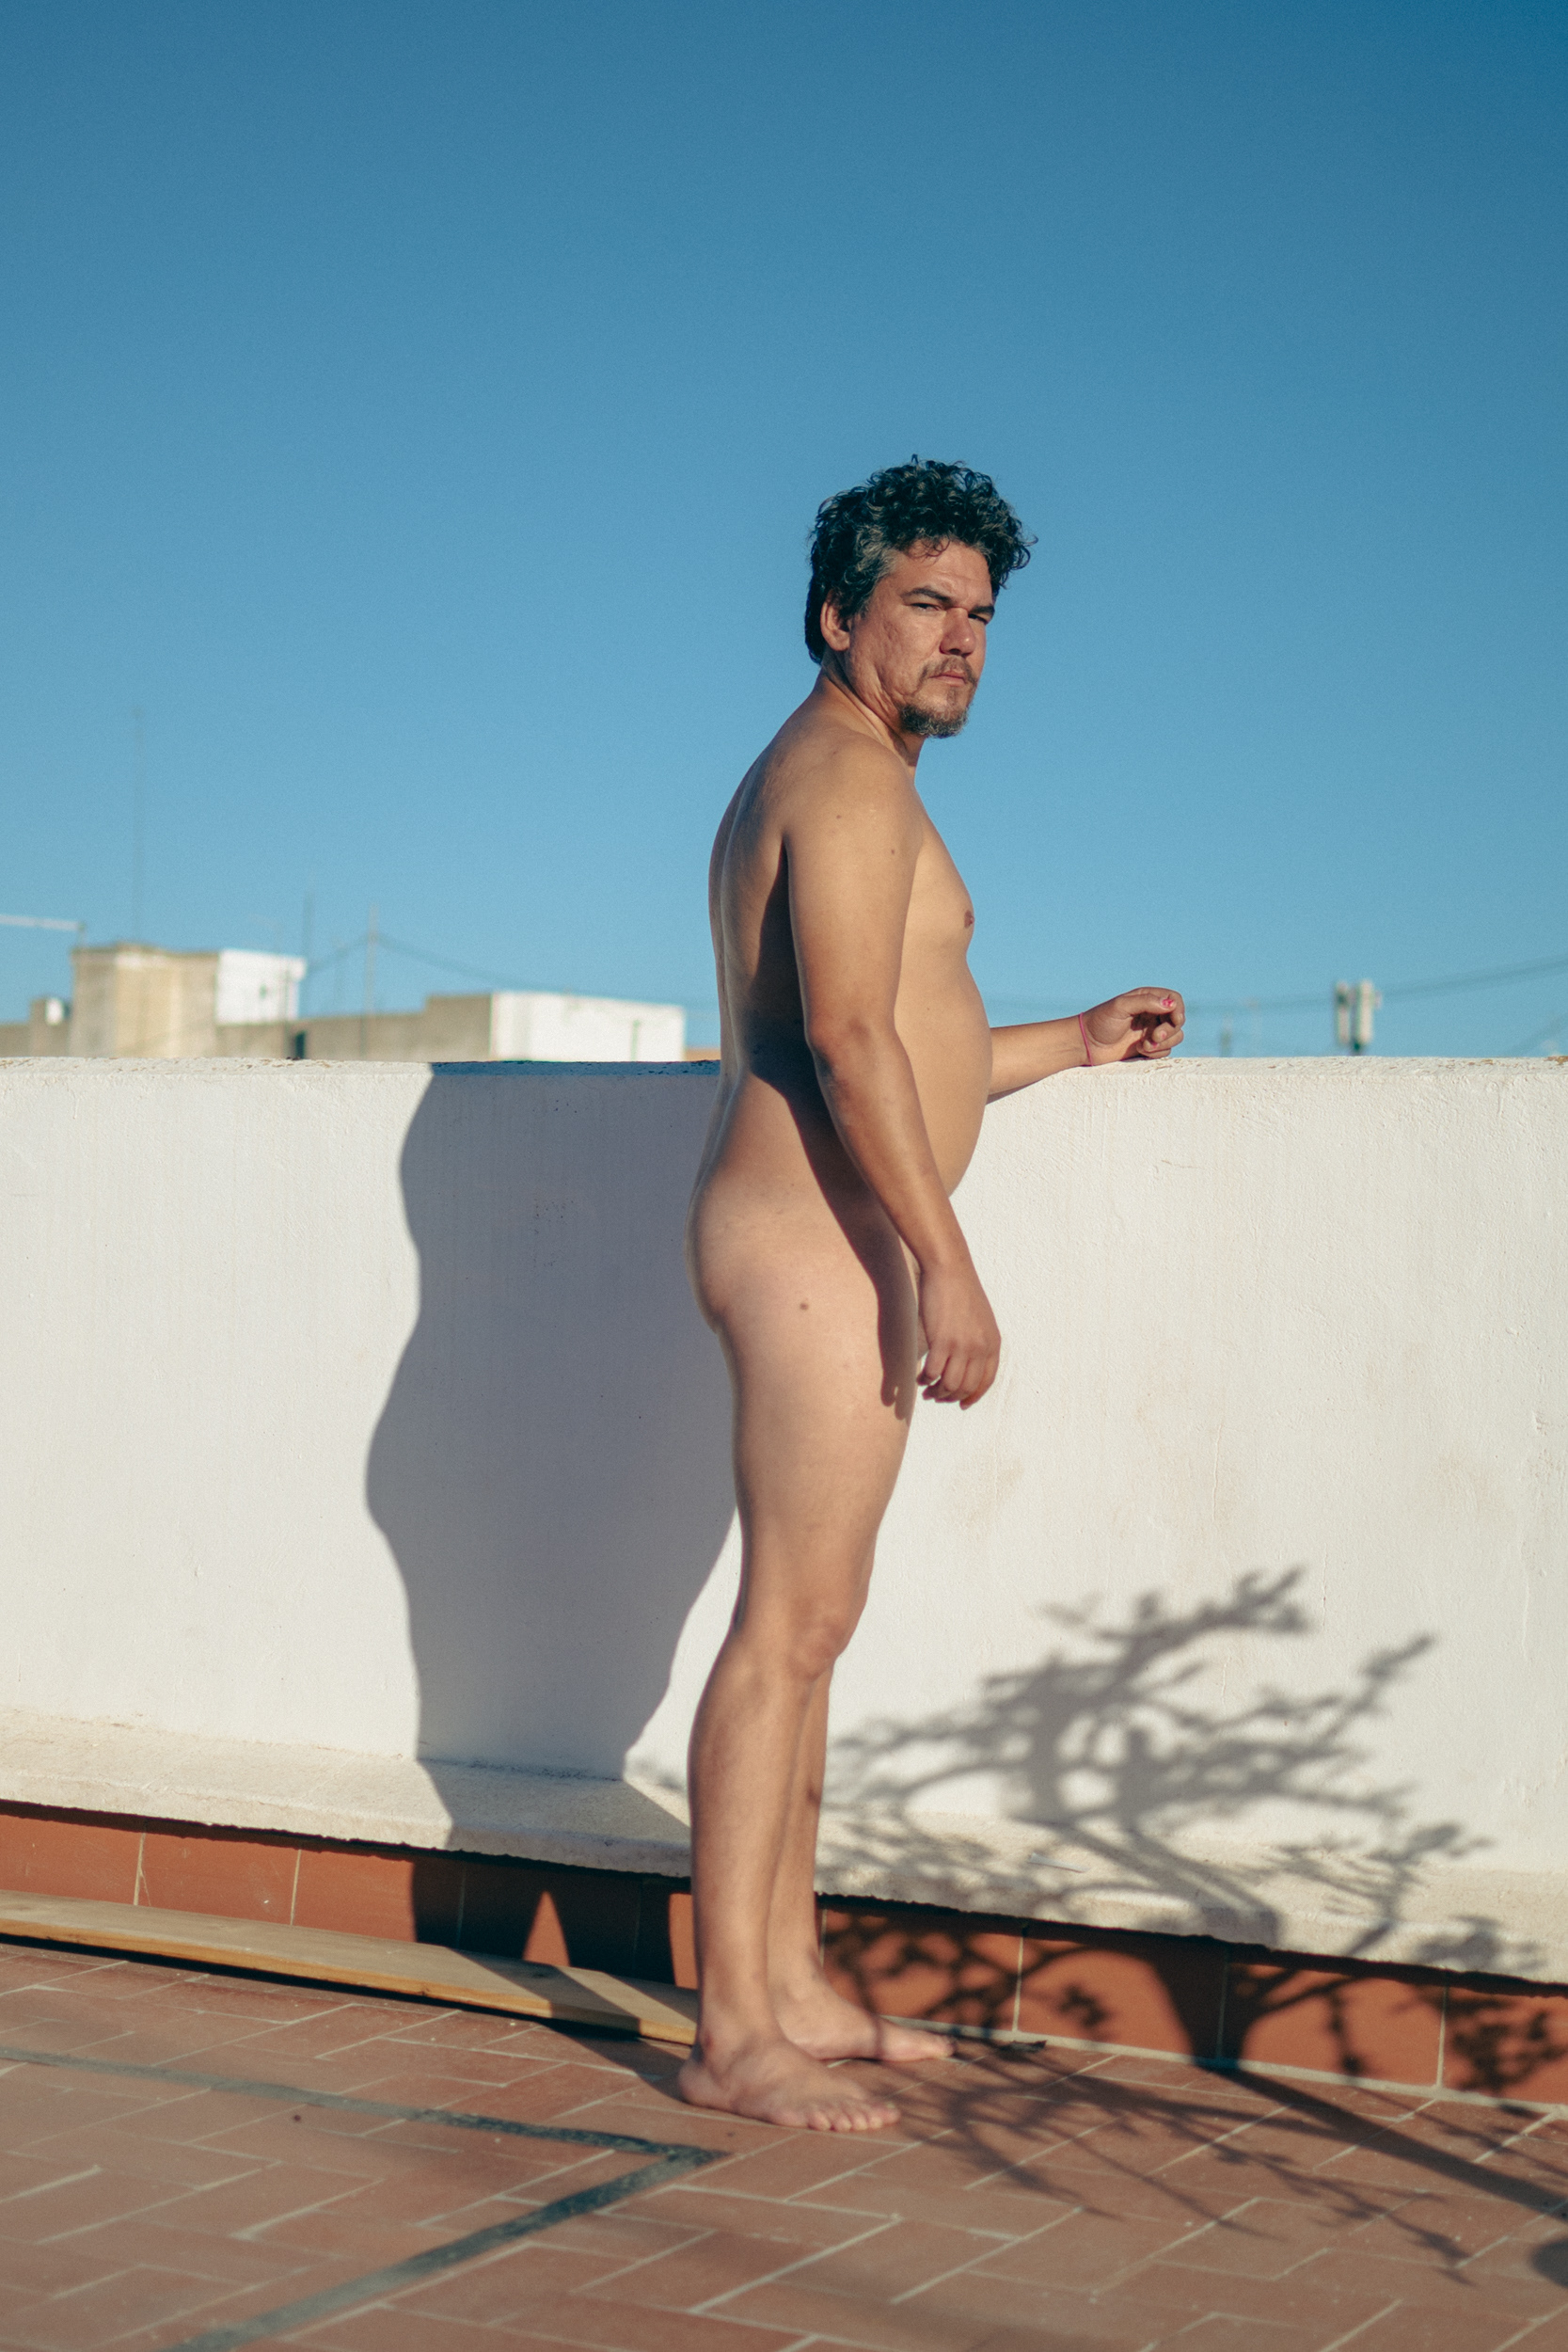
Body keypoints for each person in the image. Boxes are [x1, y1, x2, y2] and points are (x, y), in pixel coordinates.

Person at [680, 458, 1184, 2131]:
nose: (961, 636)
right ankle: (731, 2033)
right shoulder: (843, 778)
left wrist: (1072, 1042)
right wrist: (947, 1263)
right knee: (789, 1630)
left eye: (979, 612)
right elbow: (844, 1039)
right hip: (814, 1241)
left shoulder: (849, 774)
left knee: (816, 1630)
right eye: (924, 603)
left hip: (833, 1236)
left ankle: (793, 1983)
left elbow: (918, 1036)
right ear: (839, 615)